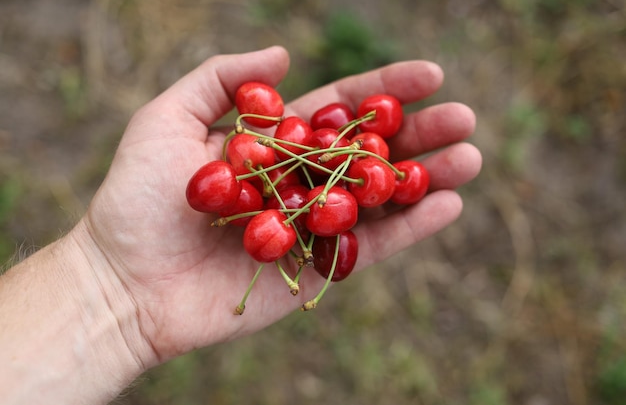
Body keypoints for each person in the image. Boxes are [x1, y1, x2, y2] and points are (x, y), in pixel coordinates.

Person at [0, 46, 482, 404]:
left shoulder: (309, 191)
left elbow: (318, 196)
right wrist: (107, 276)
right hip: (298, 190)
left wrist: (107, 284)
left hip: (310, 188)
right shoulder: (275, 191)